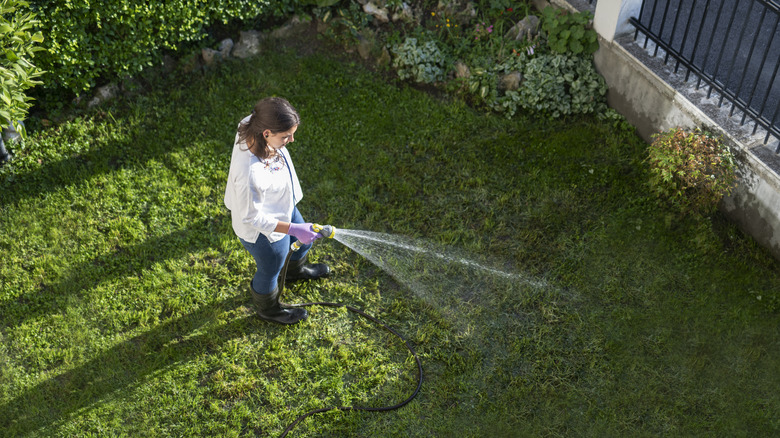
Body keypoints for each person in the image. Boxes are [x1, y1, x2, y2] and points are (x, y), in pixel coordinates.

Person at [224, 97, 330, 325]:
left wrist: (294, 226)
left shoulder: (252, 123)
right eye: (286, 136)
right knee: (272, 265)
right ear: (266, 133)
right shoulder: (249, 173)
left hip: (281, 206)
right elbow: (251, 216)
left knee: (304, 242)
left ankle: (293, 272)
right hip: (261, 231)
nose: (291, 140)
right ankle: (269, 310)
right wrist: (293, 228)